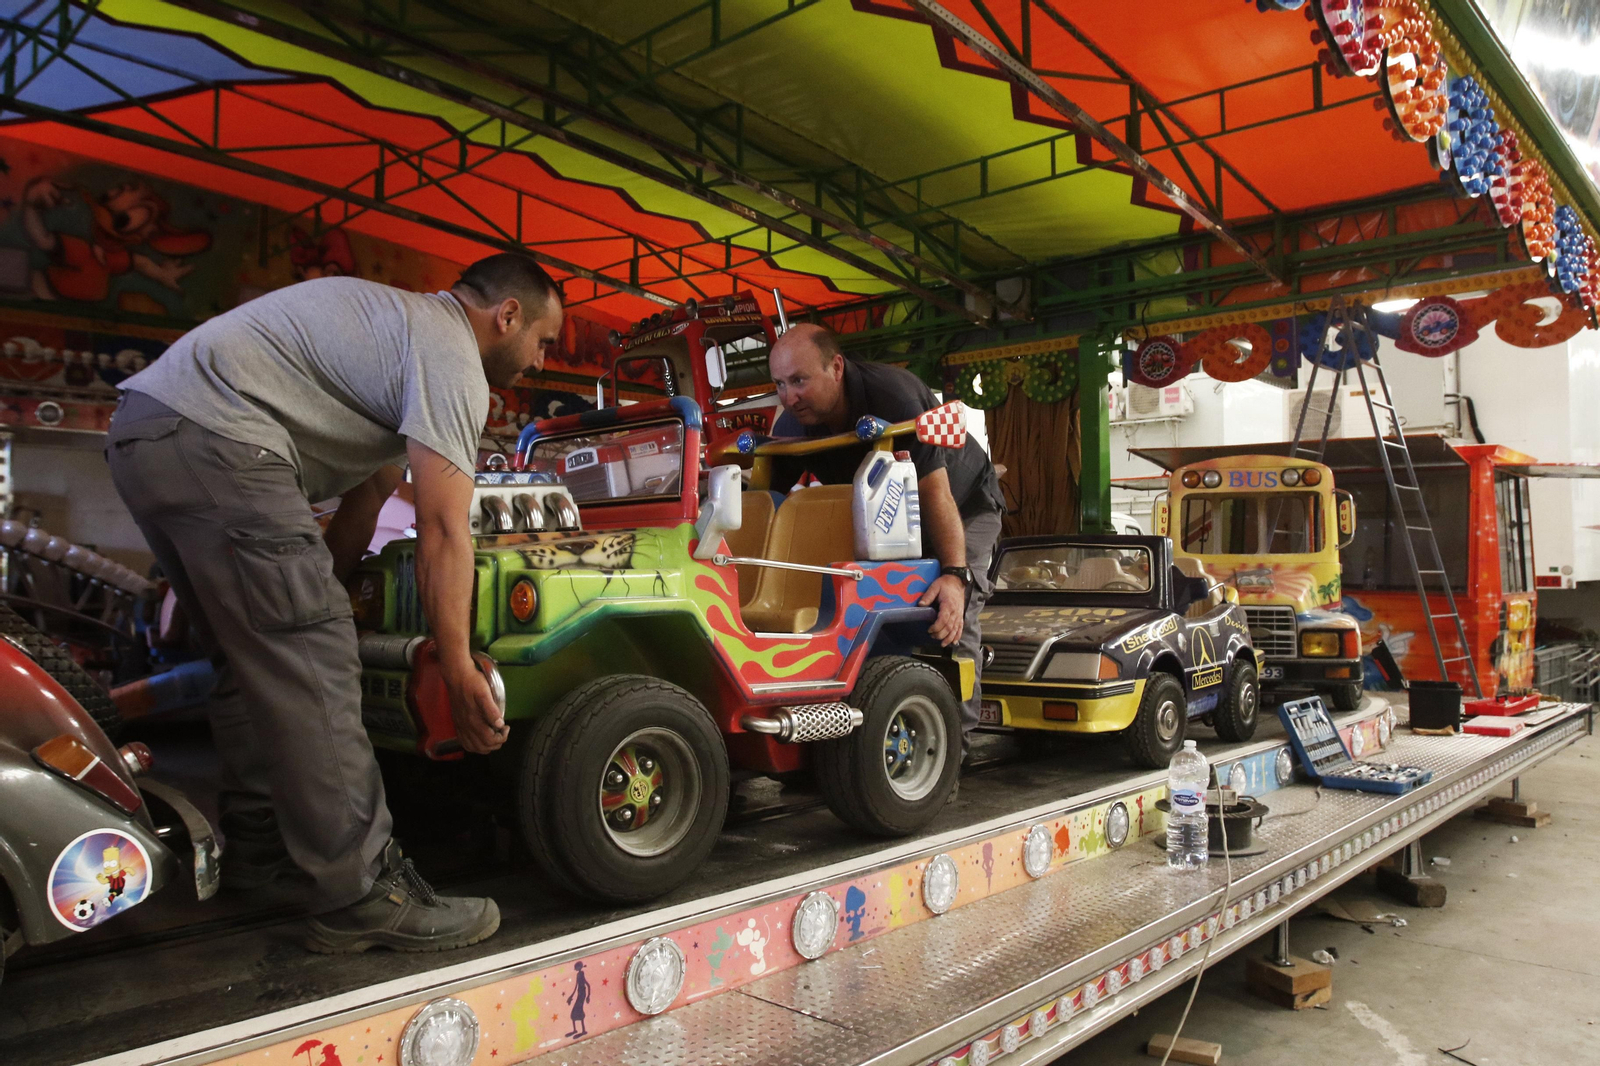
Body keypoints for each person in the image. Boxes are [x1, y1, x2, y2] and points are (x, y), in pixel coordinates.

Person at [105, 253, 563, 952]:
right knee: (315, 658)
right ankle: (359, 892)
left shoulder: (391, 344)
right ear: (507, 317)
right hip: (220, 438)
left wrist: (317, 600)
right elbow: (443, 529)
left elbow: (367, 500)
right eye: (542, 341)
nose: (540, 361)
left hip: (147, 435)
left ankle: (262, 854)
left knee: (253, 656)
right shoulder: (448, 353)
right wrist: (454, 662)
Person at [766, 323, 1004, 756]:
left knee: (950, 614)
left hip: (961, 507)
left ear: (836, 367)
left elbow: (936, 492)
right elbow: (772, 504)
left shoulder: (894, 395)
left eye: (799, 381)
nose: (789, 397)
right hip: (886, 516)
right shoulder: (790, 424)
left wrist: (954, 575)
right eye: (779, 384)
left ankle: (955, 752)